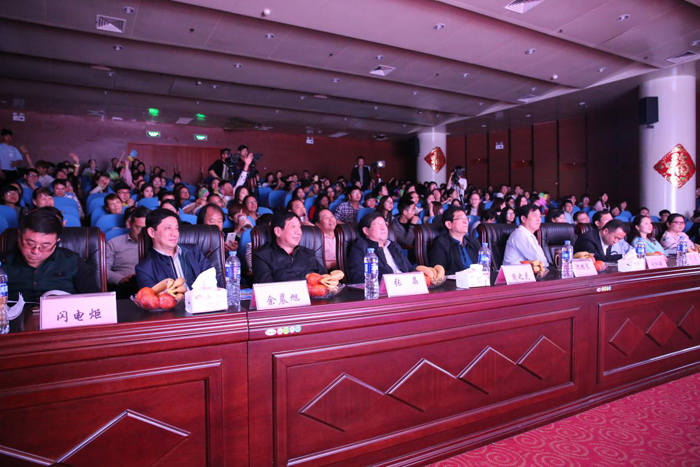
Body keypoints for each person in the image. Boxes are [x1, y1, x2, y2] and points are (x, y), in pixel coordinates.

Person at [0, 208, 98, 301]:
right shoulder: (3, 263)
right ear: (19, 236)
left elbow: (96, 300)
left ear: (57, 241)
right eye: (30, 244)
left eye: (45, 246)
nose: (36, 251)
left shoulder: (72, 261)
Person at [135, 209, 215, 289]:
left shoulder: (193, 251)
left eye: (176, 228)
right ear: (152, 232)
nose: (174, 233)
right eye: (168, 228)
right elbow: (151, 296)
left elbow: (213, 282)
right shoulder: (144, 269)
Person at [252, 211, 325, 283]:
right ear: (278, 231)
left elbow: (326, 280)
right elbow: (266, 288)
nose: (299, 232)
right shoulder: (262, 257)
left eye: (299, 227)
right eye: (293, 226)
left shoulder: (309, 253)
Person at [347, 212, 411, 284]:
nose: (383, 228)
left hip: (406, 285)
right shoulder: (361, 247)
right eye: (378, 224)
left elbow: (410, 269)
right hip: (384, 288)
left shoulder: (394, 245)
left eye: (384, 224)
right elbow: (357, 278)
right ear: (366, 231)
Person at [106, 206, 149, 296]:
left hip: (151, 286)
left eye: (146, 228)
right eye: (139, 228)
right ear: (130, 224)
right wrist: (120, 279)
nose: (143, 232)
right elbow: (103, 270)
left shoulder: (156, 243)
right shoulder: (114, 243)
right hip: (124, 286)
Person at [428, 206, 480, 275]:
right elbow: (439, 272)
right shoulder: (441, 243)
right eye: (461, 219)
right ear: (449, 224)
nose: (465, 222)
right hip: (455, 280)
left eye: (466, 219)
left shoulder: (473, 242)